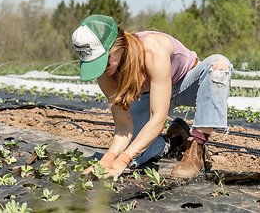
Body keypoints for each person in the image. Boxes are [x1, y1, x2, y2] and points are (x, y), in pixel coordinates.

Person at [72, 14, 232, 179]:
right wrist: (108, 160)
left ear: (117, 45)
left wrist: (122, 161)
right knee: (134, 154)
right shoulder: (105, 74)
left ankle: (196, 148)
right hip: (150, 95)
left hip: (187, 84)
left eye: (104, 61)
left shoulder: (153, 49)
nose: (102, 68)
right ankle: (174, 140)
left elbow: (158, 118)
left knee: (219, 65)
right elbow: (123, 127)